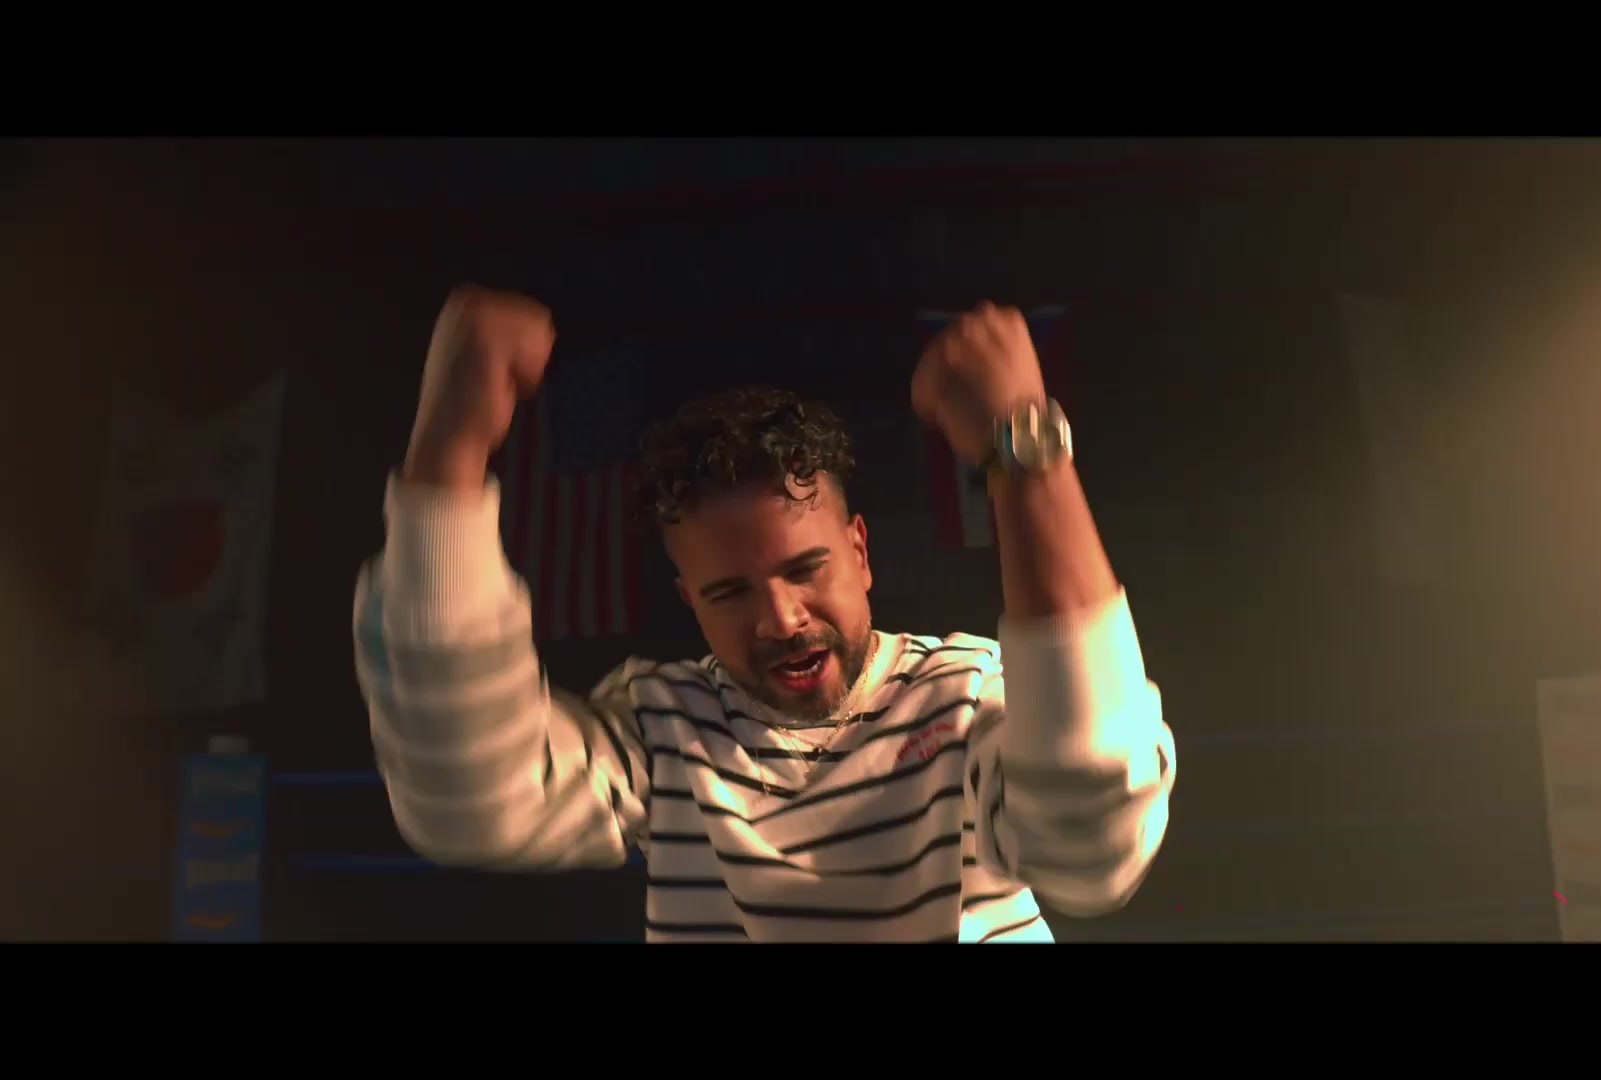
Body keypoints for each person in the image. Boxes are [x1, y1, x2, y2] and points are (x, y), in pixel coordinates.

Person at [352, 285, 1177, 942]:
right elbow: (471, 803)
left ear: (859, 550)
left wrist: (1023, 452)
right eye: (729, 592)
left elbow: (1091, 850)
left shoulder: (960, 692)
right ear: (689, 600)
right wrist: (447, 452)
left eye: (805, 569)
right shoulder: (667, 728)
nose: (780, 619)